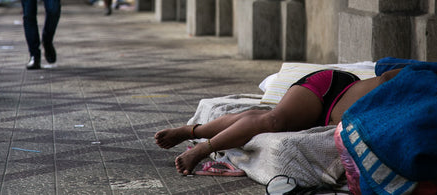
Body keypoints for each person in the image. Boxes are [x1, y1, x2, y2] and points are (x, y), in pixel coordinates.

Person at [155, 67, 402, 175]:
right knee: (272, 120)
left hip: (324, 115)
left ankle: (190, 130)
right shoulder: (410, 81)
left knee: (254, 117)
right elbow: (389, 74)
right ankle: (201, 148)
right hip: (331, 88)